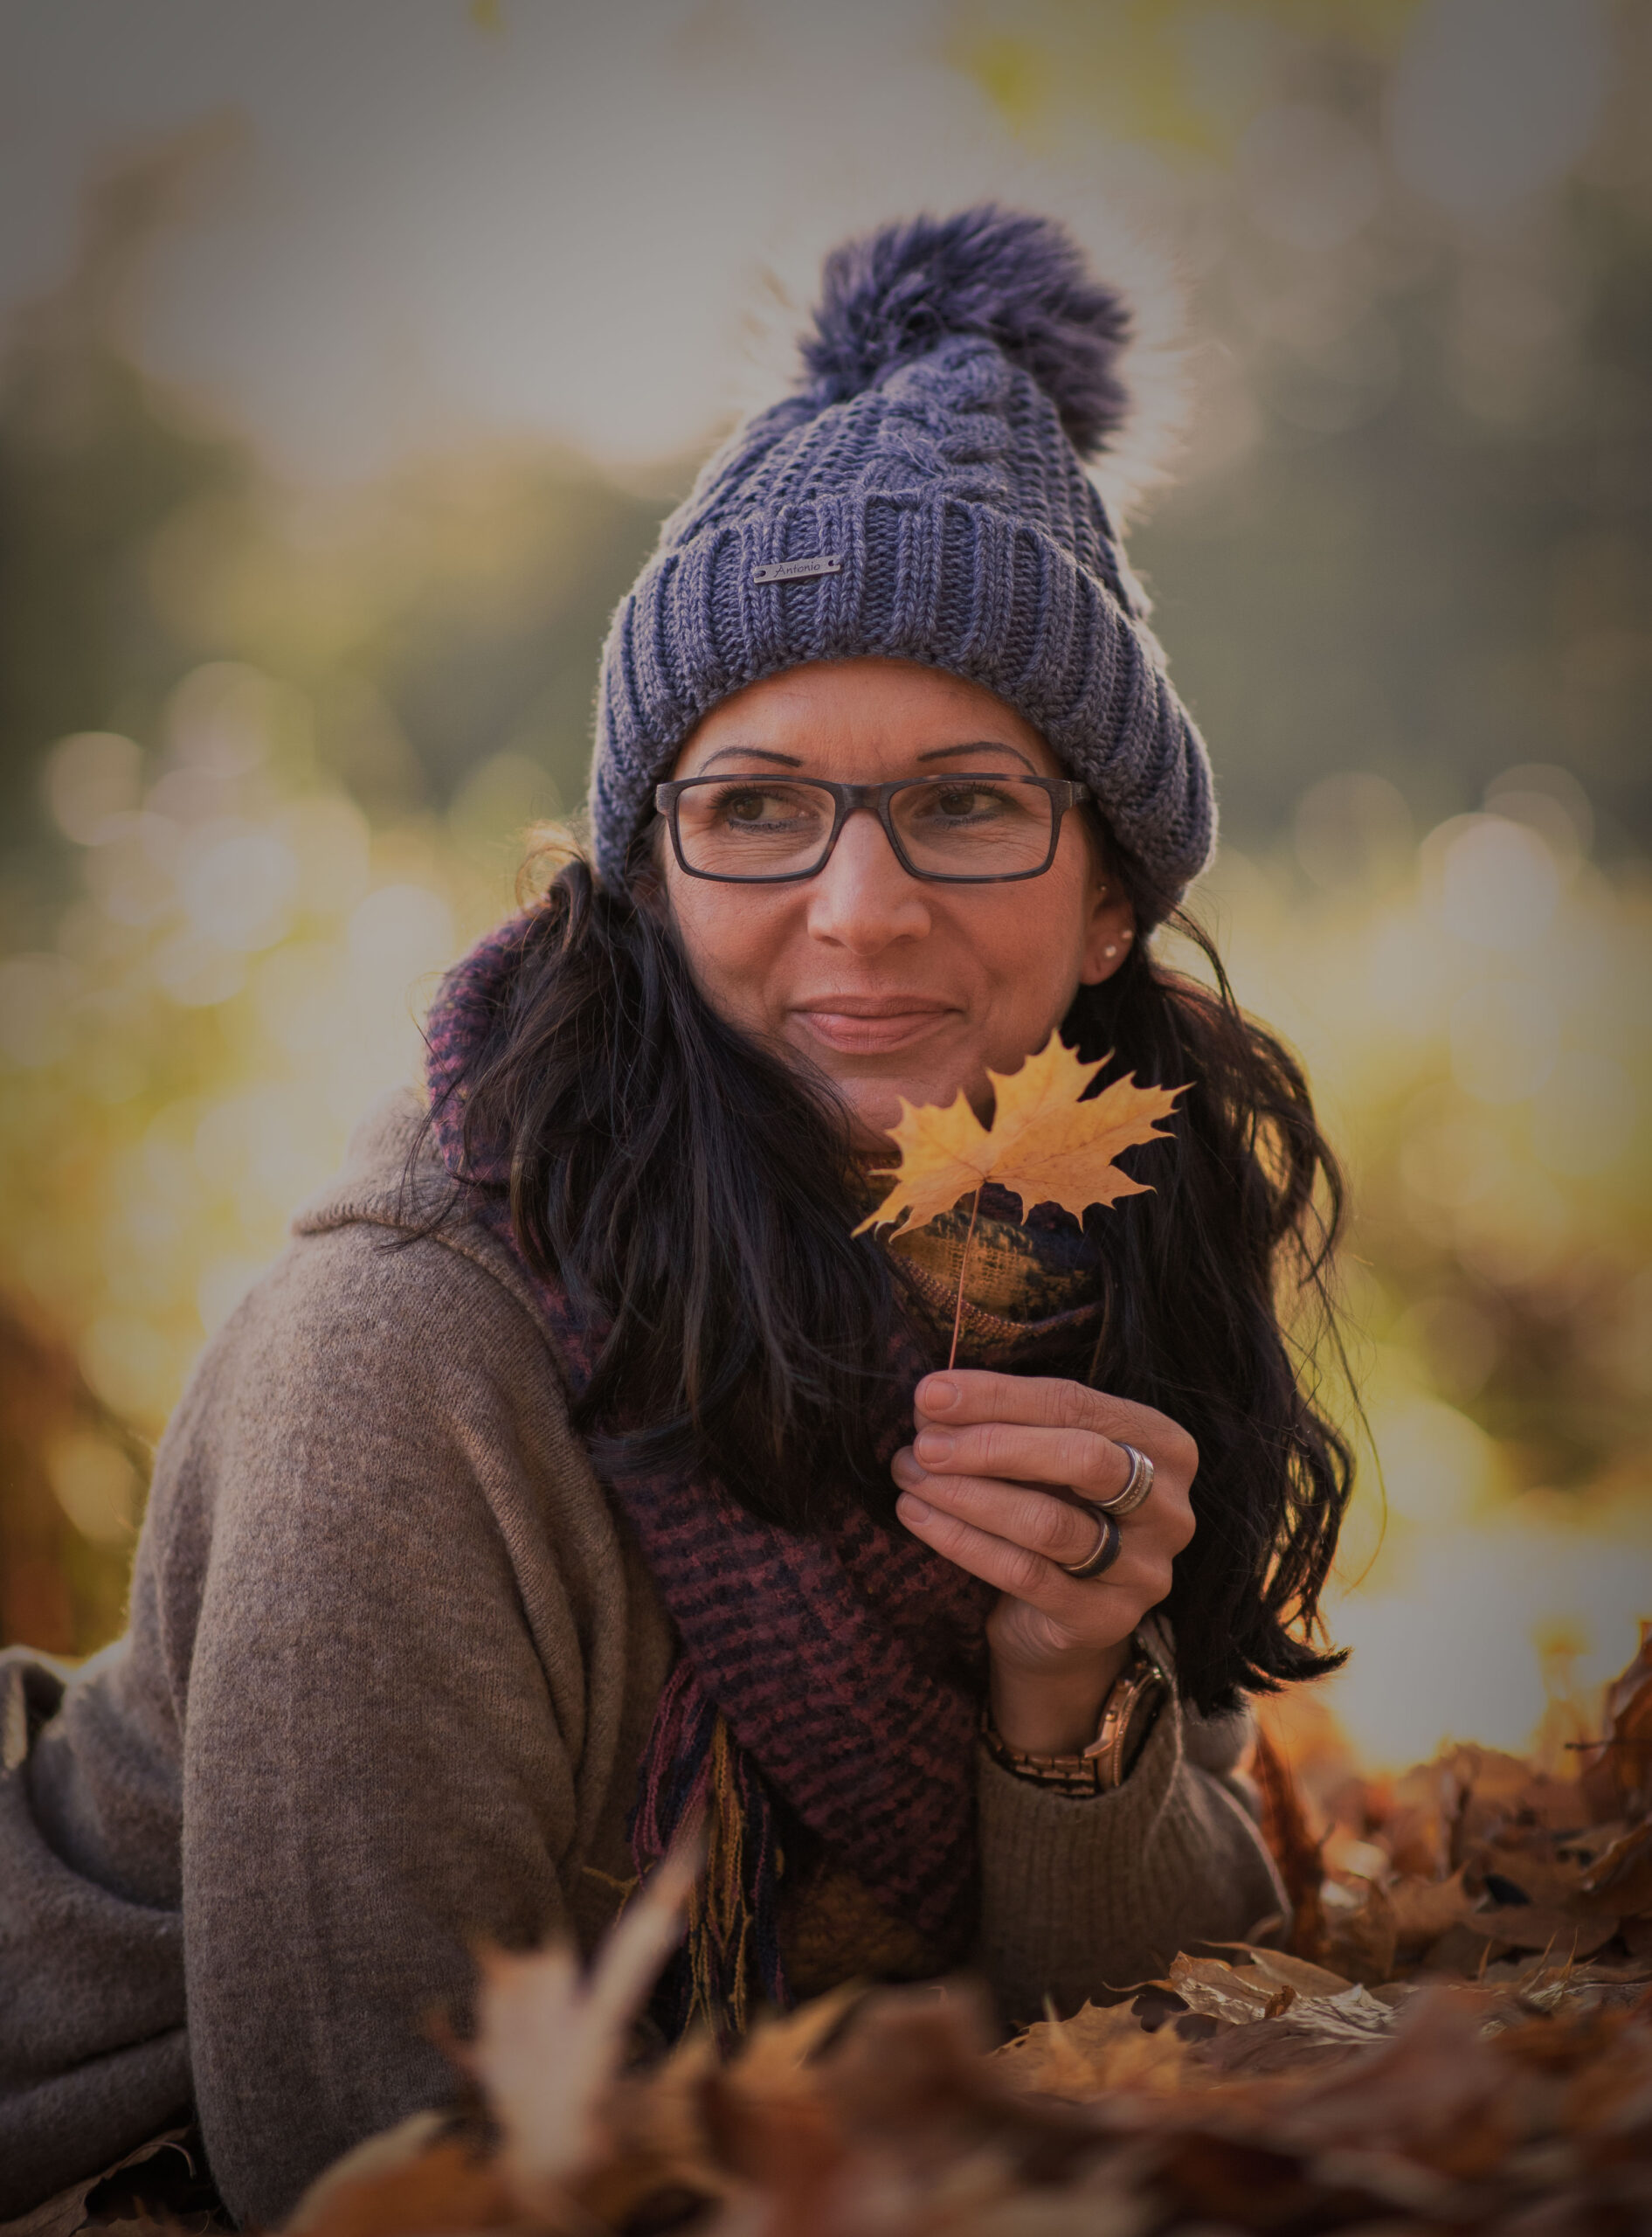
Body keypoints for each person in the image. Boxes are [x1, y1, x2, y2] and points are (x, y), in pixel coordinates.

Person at [0, 206, 1351, 2228]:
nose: (861, 907)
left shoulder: (1096, 1257)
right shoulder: (411, 1351)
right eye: (755, 804)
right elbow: (368, 2164)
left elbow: (1167, 2034)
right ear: (644, 878)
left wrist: (1067, 1706)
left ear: (1106, 900)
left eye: (967, 800)